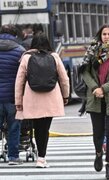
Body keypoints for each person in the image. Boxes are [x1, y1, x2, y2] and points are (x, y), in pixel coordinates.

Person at [15, 33, 69, 168]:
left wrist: (18, 101)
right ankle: (41, 158)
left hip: (32, 98)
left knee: (36, 127)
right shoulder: (54, 56)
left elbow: (19, 81)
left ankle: (38, 154)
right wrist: (66, 96)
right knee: (45, 129)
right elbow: (64, 79)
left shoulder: (26, 58)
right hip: (51, 98)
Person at [81, 24, 109, 179]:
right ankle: (99, 153)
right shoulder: (92, 51)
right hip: (95, 97)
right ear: (100, 35)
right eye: (104, 34)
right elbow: (85, 72)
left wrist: (103, 89)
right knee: (98, 133)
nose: (106, 36)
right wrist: (95, 88)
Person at [0, 24, 25, 165]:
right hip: (13, 96)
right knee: (14, 127)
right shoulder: (20, 51)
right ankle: (13, 156)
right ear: (15, 36)